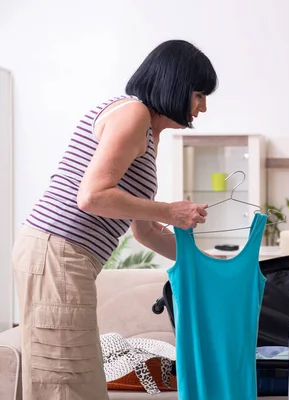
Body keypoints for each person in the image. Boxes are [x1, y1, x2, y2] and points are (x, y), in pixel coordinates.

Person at [12, 39, 217, 400]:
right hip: (57, 251)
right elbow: (92, 196)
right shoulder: (133, 114)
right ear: (175, 84)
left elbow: (146, 233)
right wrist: (170, 210)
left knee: (66, 378)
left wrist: (208, 264)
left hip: (60, 255)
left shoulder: (146, 134)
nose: (202, 107)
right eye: (199, 94)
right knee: (67, 381)